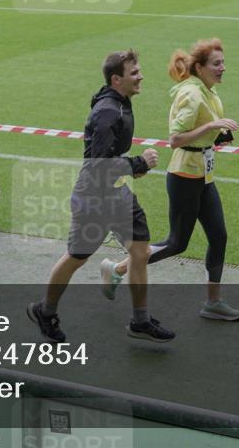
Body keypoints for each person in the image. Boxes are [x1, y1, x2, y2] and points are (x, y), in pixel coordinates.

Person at [28, 50, 175, 343]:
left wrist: (131, 169)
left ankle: (140, 321)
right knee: (77, 257)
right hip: (94, 198)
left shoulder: (120, 103)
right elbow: (98, 165)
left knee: (141, 251)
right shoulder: (109, 111)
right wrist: (138, 163)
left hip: (117, 192)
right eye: (135, 73)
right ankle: (44, 311)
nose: (141, 76)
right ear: (116, 79)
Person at [99, 39, 239, 320]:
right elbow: (175, 139)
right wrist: (212, 125)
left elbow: (201, 133)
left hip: (203, 175)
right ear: (200, 68)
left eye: (223, 62)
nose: (223, 68)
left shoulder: (208, 90)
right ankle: (116, 270)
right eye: (217, 64)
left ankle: (213, 302)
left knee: (219, 236)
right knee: (177, 242)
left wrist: (216, 136)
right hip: (184, 176)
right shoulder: (192, 94)